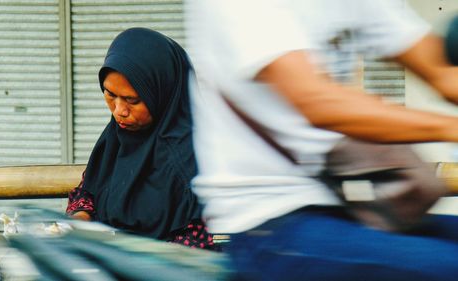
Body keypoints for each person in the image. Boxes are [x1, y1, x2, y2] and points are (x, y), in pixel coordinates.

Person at [185, 0, 458, 279]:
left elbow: (442, 72)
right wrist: (451, 127)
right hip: (270, 223)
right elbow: (319, 102)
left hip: (360, 204)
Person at [66, 28, 216, 250]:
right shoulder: (115, 139)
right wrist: (81, 218)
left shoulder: (194, 159)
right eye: (110, 95)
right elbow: (87, 190)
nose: (119, 111)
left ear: (162, 93)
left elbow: (196, 244)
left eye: (132, 100)